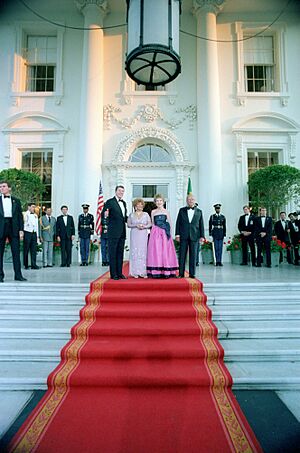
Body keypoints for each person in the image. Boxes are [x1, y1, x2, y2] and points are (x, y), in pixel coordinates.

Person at [0, 180, 26, 282]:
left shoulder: (16, 201)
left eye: (4, 186)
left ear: (9, 188)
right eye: (0, 187)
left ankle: (18, 275)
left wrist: (21, 230)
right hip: (1, 227)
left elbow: (20, 216)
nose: (1, 188)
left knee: (16, 252)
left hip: (13, 227)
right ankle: (0, 276)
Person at [147, 194, 178, 278]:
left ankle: (166, 271)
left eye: (160, 201)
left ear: (163, 202)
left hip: (164, 233)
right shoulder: (153, 212)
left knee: (164, 251)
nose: (159, 202)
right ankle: (156, 270)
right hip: (155, 233)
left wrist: (169, 234)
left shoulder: (166, 211)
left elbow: (170, 223)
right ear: (155, 202)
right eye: (157, 201)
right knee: (156, 251)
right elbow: (152, 223)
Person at [175, 194, 204, 278]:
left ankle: (192, 273)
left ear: (194, 200)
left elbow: (201, 224)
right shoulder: (181, 210)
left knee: (193, 255)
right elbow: (178, 223)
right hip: (183, 235)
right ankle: (181, 273)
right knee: (182, 255)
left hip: (195, 236)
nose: (190, 201)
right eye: (189, 199)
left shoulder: (199, 211)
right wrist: (177, 234)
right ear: (186, 201)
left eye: (192, 199)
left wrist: (202, 236)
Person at [103, 185, 128, 280]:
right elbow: (104, 214)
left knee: (120, 253)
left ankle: (120, 273)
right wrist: (105, 216)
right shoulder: (110, 202)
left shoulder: (124, 203)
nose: (121, 192)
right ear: (116, 191)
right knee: (112, 253)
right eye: (120, 191)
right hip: (113, 232)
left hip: (122, 232)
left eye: (123, 191)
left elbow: (124, 217)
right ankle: (113, 274)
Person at [127, 198, 151, 278]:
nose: (139, 206)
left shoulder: (146, 214)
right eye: (137, 205)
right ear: (135, 206)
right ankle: (135, 272)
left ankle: (143, 272)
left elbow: (150, 224)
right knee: (135, 251)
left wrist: (144, 226)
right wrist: (136, 225)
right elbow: (128, 224)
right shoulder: (131, 215)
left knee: (143, 251)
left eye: (141, 205)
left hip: (143, 234)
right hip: (134, 234)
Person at [23, 203, 40, 270]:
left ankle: (33, 264)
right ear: (29, 207)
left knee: (33, 249)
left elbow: (36, 226)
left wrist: (37, 235)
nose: (34, 208)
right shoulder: (25, 214)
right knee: (26, 249)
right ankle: (26, 264)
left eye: (34, 207)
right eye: (32, 207)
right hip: (27, 232)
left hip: (34, 233)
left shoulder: (35, 215)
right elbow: (24, 224)